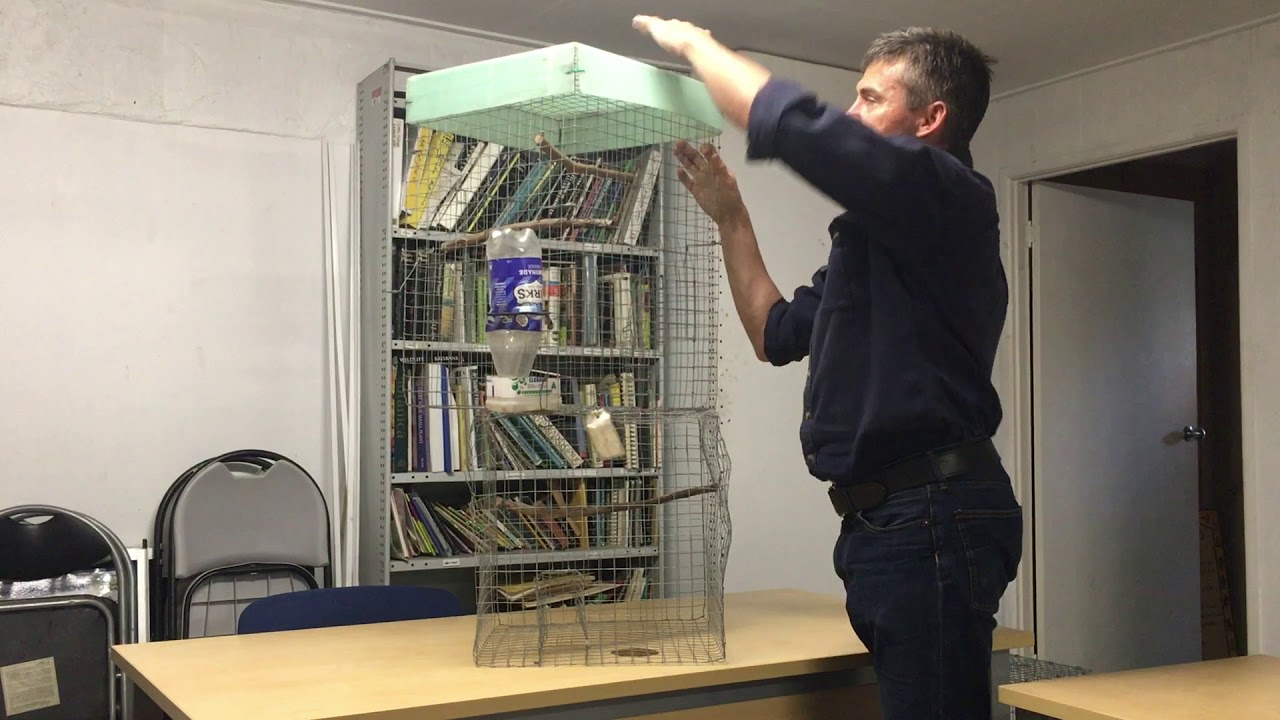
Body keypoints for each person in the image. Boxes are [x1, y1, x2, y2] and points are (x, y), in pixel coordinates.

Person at [632, 16, 1024, 720]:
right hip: (889, 520)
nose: (852, 111)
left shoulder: (951, 196)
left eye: (870, 98)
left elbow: (802, 129)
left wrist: (697, 47)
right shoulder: (877, 243)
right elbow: (774, 333)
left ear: (930, 119)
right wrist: (731, 218)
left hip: (934, 513)